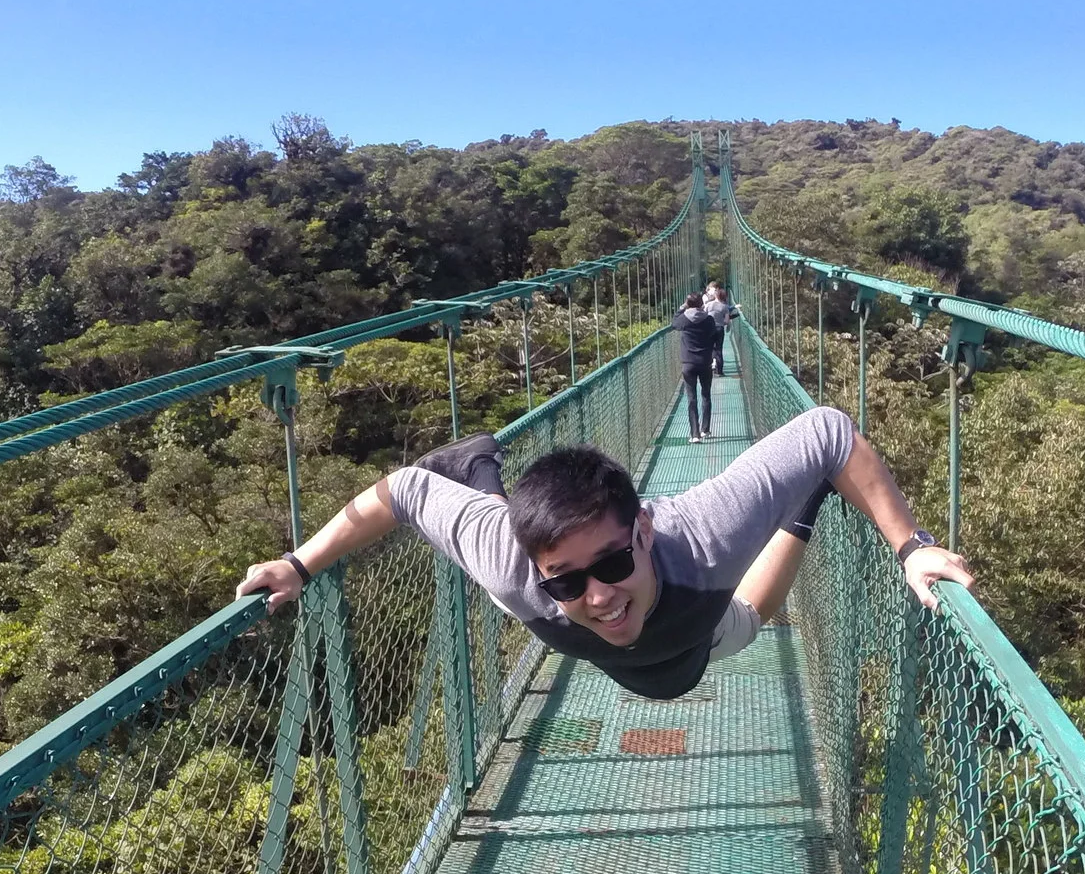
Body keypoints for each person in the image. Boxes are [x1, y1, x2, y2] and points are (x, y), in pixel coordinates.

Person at [235, 408, 973, 702]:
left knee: (746, 618)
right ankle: (479, 470)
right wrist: (298, 566)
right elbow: (401, 489)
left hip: (693, 628)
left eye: (614, 563)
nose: (597, 596)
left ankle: (804, 500)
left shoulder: (705, 538)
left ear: (643, 531)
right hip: (537, 582)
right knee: (499, 564)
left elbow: (829, 432)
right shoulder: (514, 567)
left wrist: (912, 548)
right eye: (567, 581)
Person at [672, 294, 719, 441]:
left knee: (691, 399)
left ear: (688, 304)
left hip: (689, 364)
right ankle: (705, 429)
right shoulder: (709, 320)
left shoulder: (684, 319)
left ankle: (695, 434)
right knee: (706, 395)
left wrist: (682, 308)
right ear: (701, 304)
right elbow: (714, 334)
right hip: (705, 362)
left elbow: (674, 323)